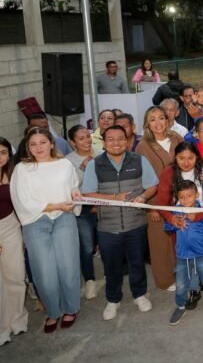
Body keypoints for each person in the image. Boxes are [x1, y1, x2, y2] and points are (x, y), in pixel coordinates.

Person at [81, 124, 159, 320]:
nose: (116, 143)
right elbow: (88, 193)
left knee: (137, 262)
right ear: (104, 143)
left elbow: (152, 186)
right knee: (111, 266)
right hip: (108, 226)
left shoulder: (139, 160)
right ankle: (113, 299)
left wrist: (143, 197)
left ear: (127, 141)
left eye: (120, 139)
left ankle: (139, 294)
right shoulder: (94, 164)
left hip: (136, 224)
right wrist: (115, 198)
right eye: (111, 139)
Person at [10, 127, 81, 333]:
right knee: (44, 270)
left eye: (42, 142)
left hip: (64, 218)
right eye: (33, 144)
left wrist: (75, 193)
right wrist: (56, 205)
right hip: (36, 221)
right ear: (28, 147)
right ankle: (52, 311)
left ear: (51, 143)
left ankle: (71, 308)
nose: (38, 147)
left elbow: (73, 187)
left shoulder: (65, 164)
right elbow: (22, 200)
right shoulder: (22, 169)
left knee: (68, 265)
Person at [156, 140, 203, 298]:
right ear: (175, 158)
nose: (186, 162)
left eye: (190, 158)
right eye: (181, 158)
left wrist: (198, 215)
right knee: (187, 259)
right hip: (181, 226)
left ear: (197, 157)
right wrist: (172, 219)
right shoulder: (169, 172)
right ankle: (193, 290)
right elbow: (161, 202)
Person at [134, 107, 182, 293]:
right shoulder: (142, 146)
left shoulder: (177, 139)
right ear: (147, 124)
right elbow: (140, 181)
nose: (158, 123)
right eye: (153, 119)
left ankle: (180, 271)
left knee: (178, 239)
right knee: (159, 243)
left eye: (161, 118)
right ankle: (164, 280)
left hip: (181, 199)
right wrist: (150, 208)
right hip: (156, 201)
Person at [164, 180, 203, 325]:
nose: (185, 200)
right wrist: (173, 222)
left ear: (196, 195)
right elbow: (167, 228)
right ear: (177, 197)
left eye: (189, 196)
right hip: (182, 256)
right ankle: (180, 306)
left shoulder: (202, 214)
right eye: (181, 197)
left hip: (202, 255)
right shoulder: (176, 213)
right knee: (181, 284)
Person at [65, 125, 100, 300]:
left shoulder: (100, 154)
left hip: (103, 205)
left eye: (88, 136)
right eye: (81, 138)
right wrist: (83, 169)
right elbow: (69, 188)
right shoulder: (67, 162)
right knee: (86, 246)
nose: (86, 141)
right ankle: (90, 280)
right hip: (82, 209)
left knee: (106, 243)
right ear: (72, 143)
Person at [0, 138, 27, 344]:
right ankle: (2, 328)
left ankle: (17, 320)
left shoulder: (13, 173)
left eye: (3, 152)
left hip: (11, 226)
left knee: (16, 275)